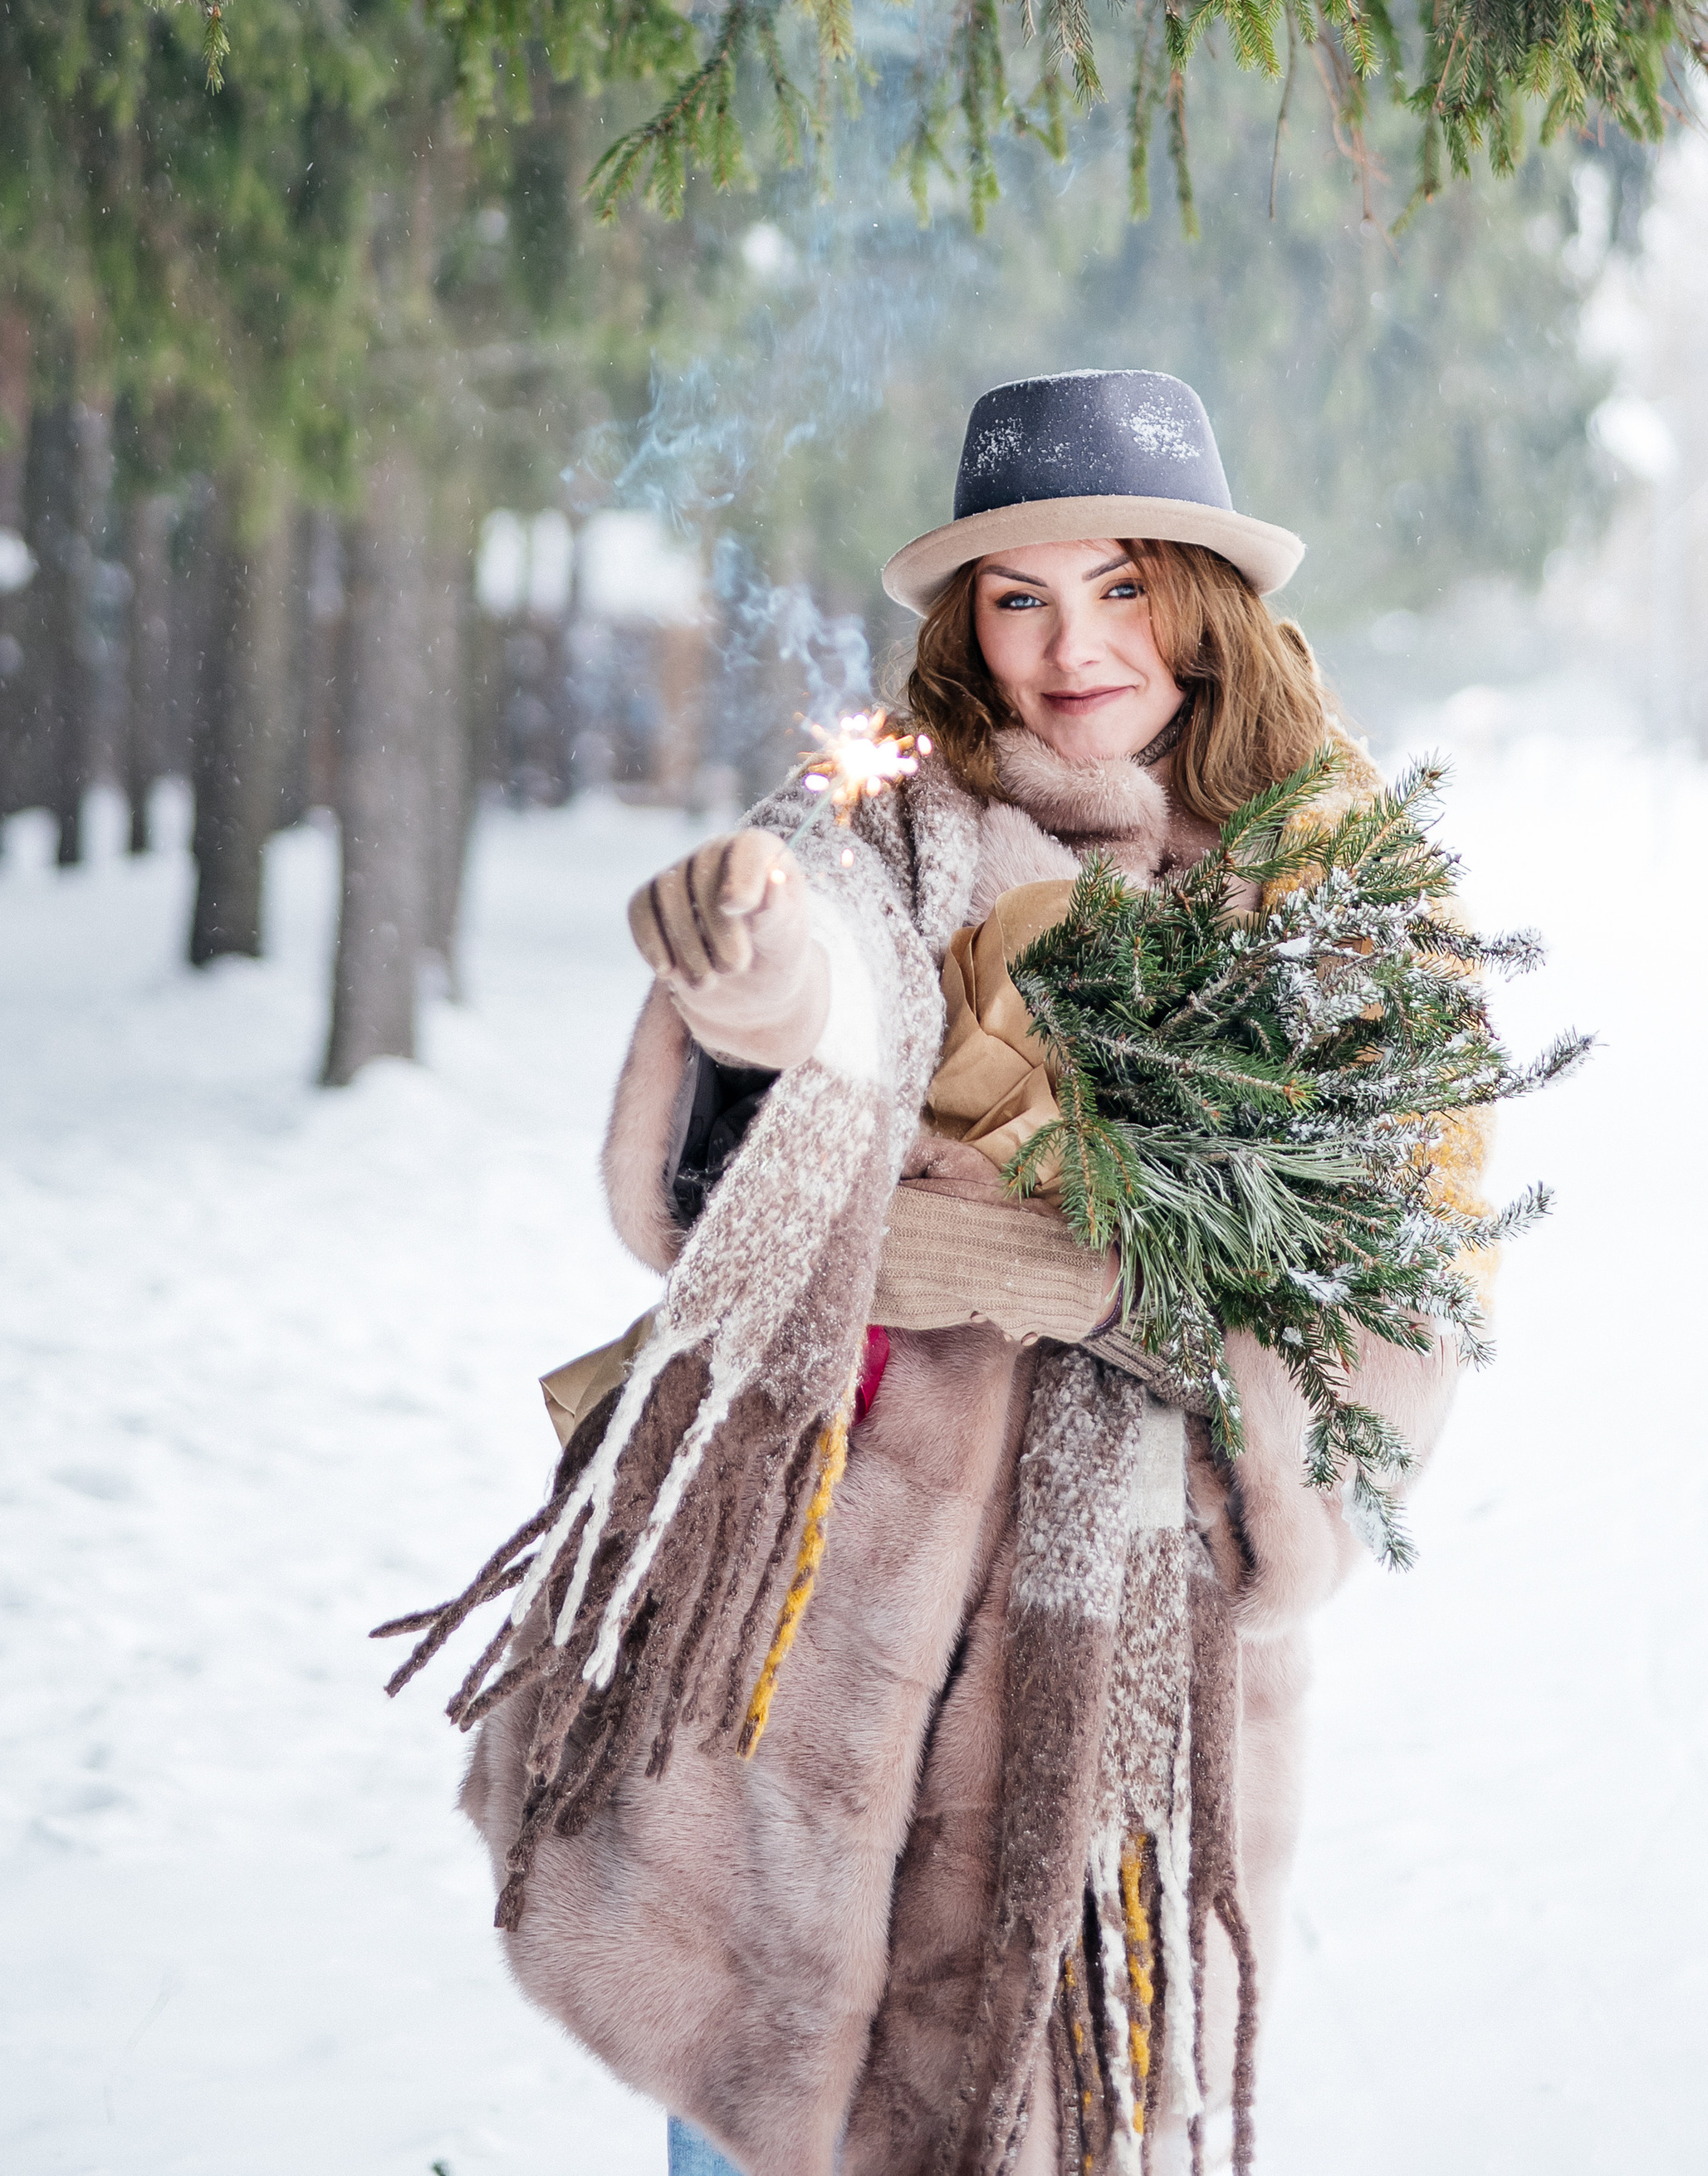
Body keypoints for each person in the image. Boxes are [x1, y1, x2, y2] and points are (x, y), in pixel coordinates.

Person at [430, 370, 1471, 2176]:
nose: (1071, 648)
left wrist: (1118, 1289)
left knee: (1053, 2108)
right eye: (1017, 597)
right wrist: (757, 984)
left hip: (1122, 1663)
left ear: (1202, 597)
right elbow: (827, 975)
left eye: (1118, 586)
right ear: (962, 625)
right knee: (751, 2104)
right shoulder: (889, 815)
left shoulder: (1334, 893)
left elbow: (1388, 1322)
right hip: (819, 1611)